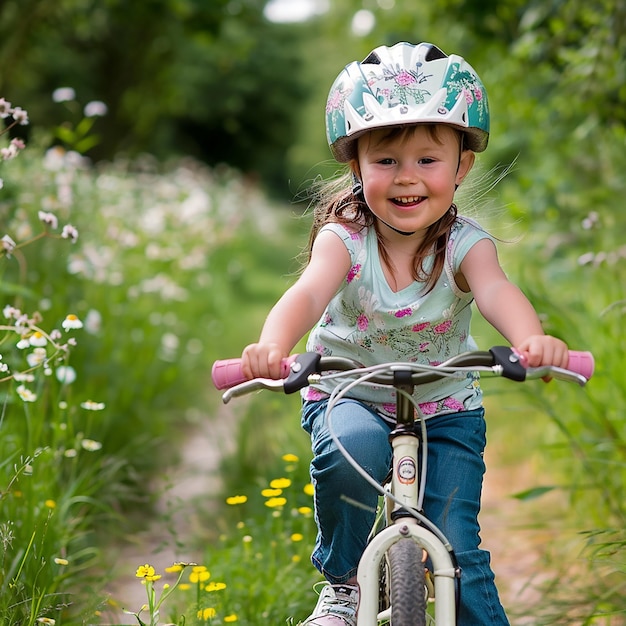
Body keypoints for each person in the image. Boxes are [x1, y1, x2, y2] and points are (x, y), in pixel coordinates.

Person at [241, 42, 569, 626]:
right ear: (356, 166)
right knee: (350, 451)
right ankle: (342, 584)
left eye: (427, 159)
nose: (406, 178)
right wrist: (275, 346)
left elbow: (495, 291)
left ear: (462, 166)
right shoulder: (342, 240)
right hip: (348, 390)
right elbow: (308, 294)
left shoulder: (468, 245)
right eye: (386, 161)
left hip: (446, 404)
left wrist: (532, 339)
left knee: (459, 549)